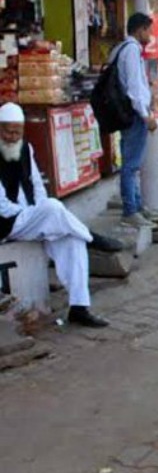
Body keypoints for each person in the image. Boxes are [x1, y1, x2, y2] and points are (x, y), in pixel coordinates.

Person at [0, 103, 110, 327]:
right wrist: (35, 214)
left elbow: (37, 186)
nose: (12, 137)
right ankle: (92, 237)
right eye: (7, 132)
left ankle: (79, 307)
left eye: (17, 132)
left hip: (32, 219)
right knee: (52, 208)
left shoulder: (25, 148)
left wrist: (38, 212)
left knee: (72, 239)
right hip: (7, 222)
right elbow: (2, 206)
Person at [109, 13, 158, 228]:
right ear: (139, 30)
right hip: (134, 115)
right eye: (148, 30)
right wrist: (146, 115)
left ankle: (136, 206)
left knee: (132, 164)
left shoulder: (121, 50)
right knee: (130, 166)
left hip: (129, 114)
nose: (151, 34)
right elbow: (135, 88)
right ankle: (130, 210)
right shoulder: (131, 51)